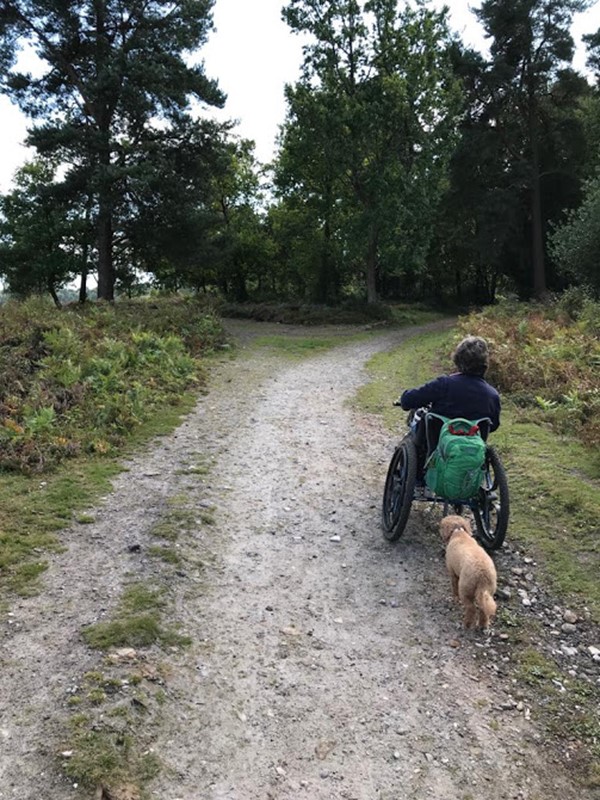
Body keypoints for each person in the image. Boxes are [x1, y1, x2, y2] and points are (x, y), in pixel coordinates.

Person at [399, 335, 501, 477]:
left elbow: (409, 400)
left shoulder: (444, 384)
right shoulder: (492, 395)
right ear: (484, 364)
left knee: (422, 420)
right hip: (471, 451)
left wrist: (404, 399)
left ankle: (415, 473)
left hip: (437, 450)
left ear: (458, 360)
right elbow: (494, 425)